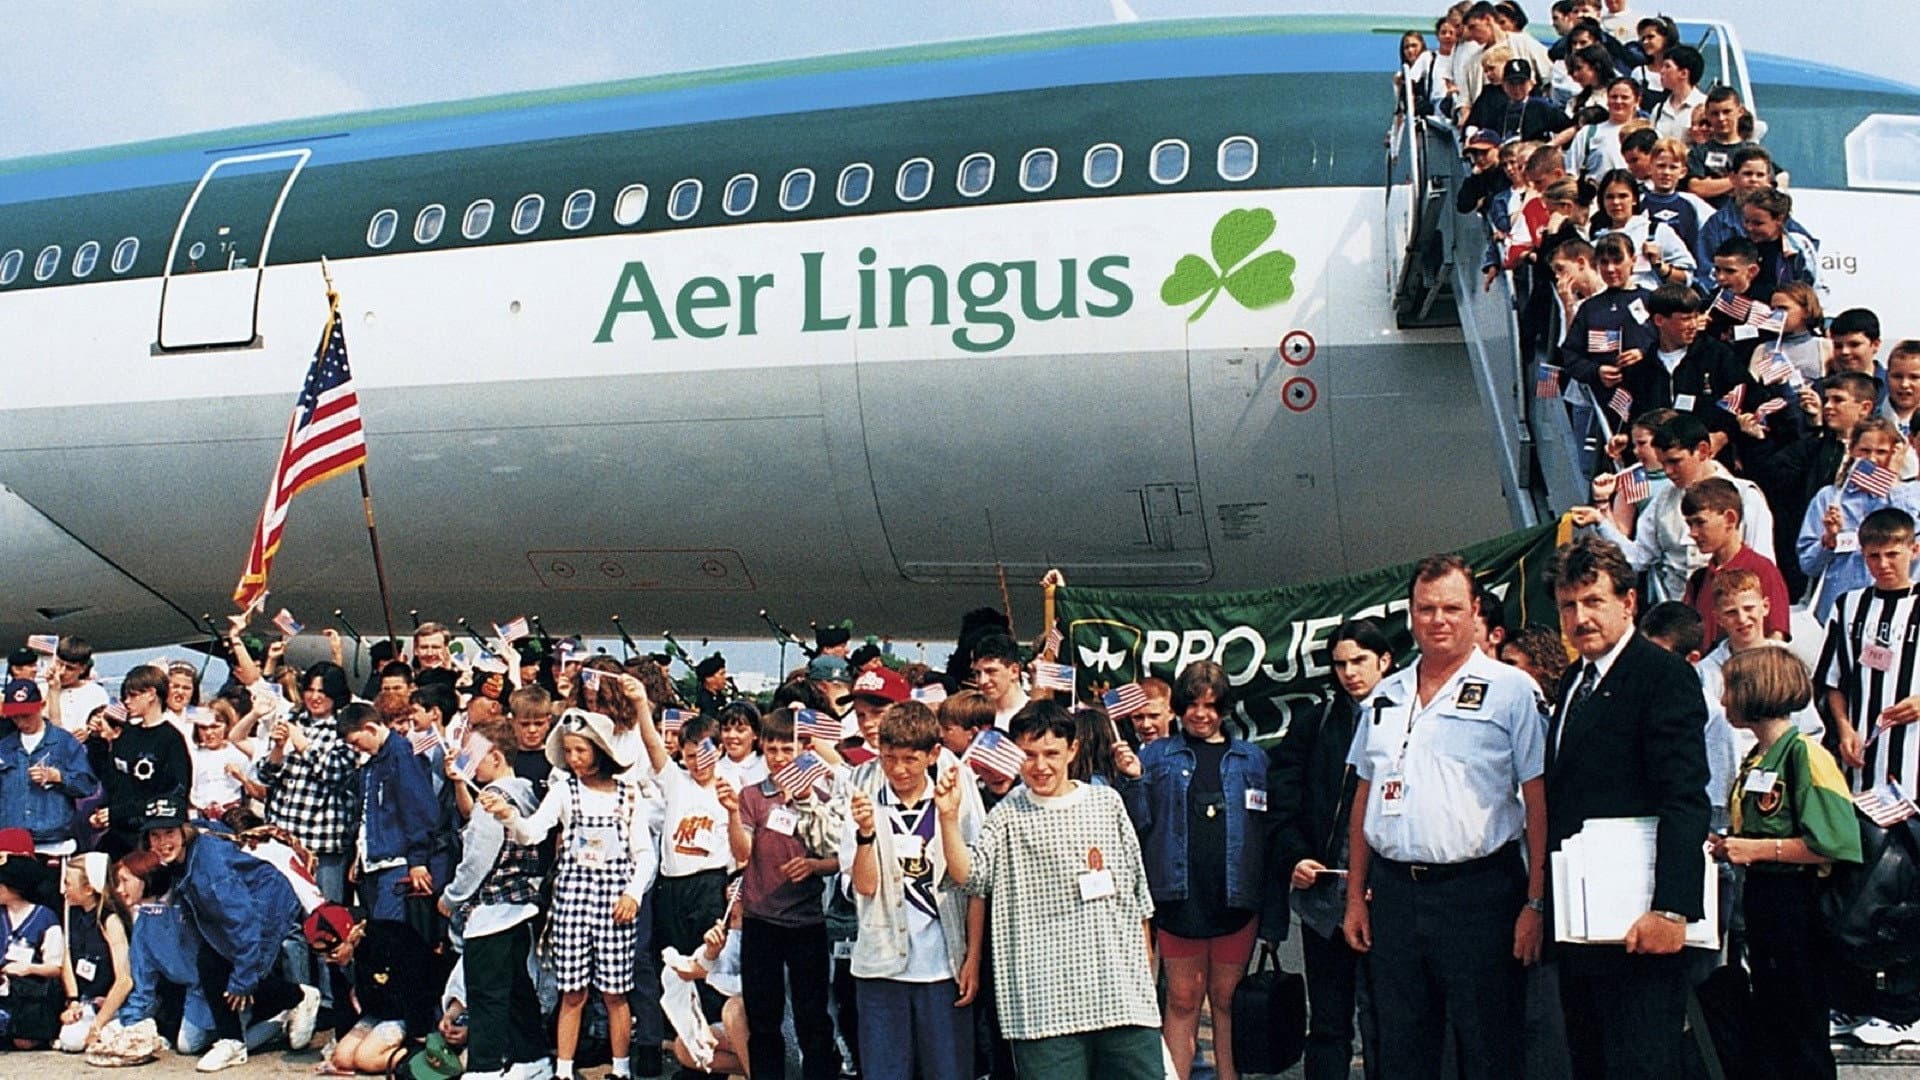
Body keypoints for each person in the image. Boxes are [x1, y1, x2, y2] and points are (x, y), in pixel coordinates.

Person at [1339, 554, 1547, 1080]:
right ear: (1409, 614)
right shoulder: (1385, 696)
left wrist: (1536, 902)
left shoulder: (1512, 691)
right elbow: (1365, 797)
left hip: (1480, 895)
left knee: (1489, 1047)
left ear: (1475, 611)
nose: (1438, 620)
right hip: (1395, 896)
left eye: (1452, 608)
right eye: (1425, 609)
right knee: (1403, 1048)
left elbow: (1539, 801)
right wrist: (1354, 898)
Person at [1544, 537, 1710, 1079]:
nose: (1580, 617)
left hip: (1641, 921)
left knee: (1642, 1066)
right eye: (1569, 606)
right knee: (1590, 1063)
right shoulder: (1573, 682)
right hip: (1582, 923)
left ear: (1628, 603)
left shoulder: (1662, 676)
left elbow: (1684, 797)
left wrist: (1671, 908)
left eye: (1594, 601)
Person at [938, 700, 1161, 1080]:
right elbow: (970, 876)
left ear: (1072, 750)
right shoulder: (1007, 814)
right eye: (1029, 754)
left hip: (1121, 996)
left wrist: (1145, 980)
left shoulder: (1108, 803)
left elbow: (1138, 897)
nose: (1040, 766)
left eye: (1051, 754)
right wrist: (946, 817)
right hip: (1043, 1003)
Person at [1713, 647, 1862, 1078]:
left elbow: (1835, 842)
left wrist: (1756, 851)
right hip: (1763, 900)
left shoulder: (1806, 756)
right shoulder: (1758, 757)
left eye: (1730, 691)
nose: (1724, 702)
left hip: (1798, 903)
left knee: (1800, 1021)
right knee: (1773, 1018)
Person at [487, 708, 657, 1080]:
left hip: (616, 901)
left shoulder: (629, 794)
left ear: (600, 750)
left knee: (615, 991)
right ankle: (563, 1069)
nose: (574, 759)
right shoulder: (565, 790)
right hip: (573, 897)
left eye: (581, 750)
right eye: (569, 751)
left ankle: (621, 1068)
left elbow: (644, 853)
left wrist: (632, 893)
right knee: (572, 990)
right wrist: (508, 816)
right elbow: (533, 832)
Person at [1116, 660, 1267, 1080]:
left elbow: (1265, 834)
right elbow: (1136, 824)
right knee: (1182, 1000)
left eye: (1212, 705)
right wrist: (1131, 780)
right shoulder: (1155, 754)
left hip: (1237, 897)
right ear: (1179, 708)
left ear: (1225, 708)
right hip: (1178, 896)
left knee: (1226, 1000)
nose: (1202, 714)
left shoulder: (1253, 759)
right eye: (1193, 705)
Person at [1269, 620, 1388, 1080]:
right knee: (1328, 1023)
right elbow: (1282, 800)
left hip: (1385, 898)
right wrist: (1295, 856)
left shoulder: (1410, 718)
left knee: (1385, 1019)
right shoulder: (1314, 722)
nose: (1349, 672)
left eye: (1359, 661)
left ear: (1384, 660)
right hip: (1325, 901)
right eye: (1340, 663)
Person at [843, 700, 984, 1080]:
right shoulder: (864, 801)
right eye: (889, 758)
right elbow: (864, 886)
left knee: (949, 1071)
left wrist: (972, 956)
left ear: (933, 754)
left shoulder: (953, 798)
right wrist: (865, 835)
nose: (899, 769)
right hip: (881, 965)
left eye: (910, 758)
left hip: (943, 965)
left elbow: (974, 883)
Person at [142, 797, 322, 1072]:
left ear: (184, 831)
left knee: (240, 972)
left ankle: (296, 997)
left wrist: (243, 977)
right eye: (155, 835)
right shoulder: (184, 856)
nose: (162, 842)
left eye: (169, 833)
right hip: (238, 910)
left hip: (264, 905)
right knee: (211, 961)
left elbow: (243, 921)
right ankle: (235, 1036)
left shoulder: (210, 868)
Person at [724, 706, 842, 1080]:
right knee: (763, 1020)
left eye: (786, 750)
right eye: (772, 750)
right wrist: (730, 814)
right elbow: (743, 854)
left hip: (807, 921)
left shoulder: (822, 793)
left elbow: (841, 857)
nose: (778, 758)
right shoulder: (751, 796)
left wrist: (813, 866)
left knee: (813, 1019)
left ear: (803, 750)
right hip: (761, 921)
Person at [435, 715, 549, 1080]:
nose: (468, 764)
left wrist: (451, 897)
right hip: (520, 907)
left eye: (474, 757)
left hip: (491, 913)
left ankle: (484, 1067)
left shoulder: (494, 799)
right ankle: (532, 1058)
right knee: (517, 988)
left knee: (485, 993)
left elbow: (477, 860)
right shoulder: (524, 791)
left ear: (497, 757)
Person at [1574, 412, 1775, 601]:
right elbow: (1638, 557)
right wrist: (1600, 519)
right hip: (1675, 617)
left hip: (1732, 615)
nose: (1668, 471)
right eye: (1663, 463)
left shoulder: (1746, 497)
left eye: (1675, 461)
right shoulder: (1663, 500)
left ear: (1702, 451)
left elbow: (1765, 569)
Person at [1817, 506, 1920, 792]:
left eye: (1892, 554)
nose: (1883, 564)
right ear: (1863, 555)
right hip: (1863, 753)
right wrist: (1844, 727)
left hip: (1914, 753)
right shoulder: (1847, 605)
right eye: (1874, 556)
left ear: (1914, 550)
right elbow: (1832, 680)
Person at [1798, 418, 1920, 622]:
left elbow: (1911, 544)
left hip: (1894, 609)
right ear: (1852, 450)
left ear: (1895, 454)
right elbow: (1808, 565)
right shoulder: (1829, 498)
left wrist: (1893, 482)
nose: (1871, 460)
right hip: (1838, 609)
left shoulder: (1909, 496)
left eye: (1881, 452)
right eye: (1864, 451)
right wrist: (1829, 540)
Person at [302, 903, 441, 1075]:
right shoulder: (338, 956)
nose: (329, 959)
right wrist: (342, 1037)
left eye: (333, 952)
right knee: (343, 1059)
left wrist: (418, 1038)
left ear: (351, 935)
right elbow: (342, 999)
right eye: (323, 956)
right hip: (377, 1010)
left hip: (408, 1011)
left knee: (365, 1059)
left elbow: (418, 990)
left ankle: (425, 1058)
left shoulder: (390, 941)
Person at [336, 701, 439, 922]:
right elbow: (365, 814)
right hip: (372, 862)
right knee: (376, 932)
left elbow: (418, 808)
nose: (357, 749)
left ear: (371, 729)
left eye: (357, 742)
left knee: (389, 934)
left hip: (396, 864)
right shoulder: (371, 763)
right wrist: (359, 855)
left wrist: (418, 860)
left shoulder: (402, 754)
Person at [88, 664, 192, 856]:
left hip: (152, 836)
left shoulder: (171, 739)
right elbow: (109, 779)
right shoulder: (128, 735)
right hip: (118, 834)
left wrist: (119, 813)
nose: (127, 702)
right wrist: (97, 740)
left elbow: (174, 795)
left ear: (151, 694)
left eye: (133, 696)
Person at [1679, 477, 1791, 646]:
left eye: (1700, 522)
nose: (1693, 533)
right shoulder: (1699, 580)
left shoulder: (1762, 570)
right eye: (1690, 524)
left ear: (1730, 519)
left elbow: (1776, 638)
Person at [0, 679, 97, 854]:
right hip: (11, 842)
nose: (22, 722)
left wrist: (58, 777)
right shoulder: (4, 748)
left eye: (27, 715)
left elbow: (87, 785)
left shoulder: (64, 742)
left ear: (41, 706)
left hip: (54, 842)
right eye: (16, 717)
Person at [53, 853, 133, 1053]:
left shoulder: (110, 921)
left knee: (79, 1040)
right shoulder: (71, 915)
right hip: (85, 999)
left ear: (89, 889)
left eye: (68, 884)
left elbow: (125, 980)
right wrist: (73, 1002)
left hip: (112, 1002)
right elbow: (68, 960)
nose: (64, 890)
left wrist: (98, 1024)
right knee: (69, 1039)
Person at [42, 637, 110, 737]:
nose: (62, 672)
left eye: (70, 668)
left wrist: (89, 734)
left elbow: (104, 729)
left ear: (82, 669)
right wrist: (53, 690)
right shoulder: (41, 689)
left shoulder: (96, 693)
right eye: (59, 664)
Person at [969, 635, 1029, 730]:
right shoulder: (972, 717)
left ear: (1014, 671)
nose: (982, 680)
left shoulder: (1036, 715)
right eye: (977, 673)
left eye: (991, 671)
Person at [1649, 43, 1705, 140]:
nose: (1661, 71)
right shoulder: (1659, 109)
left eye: (1667, 66)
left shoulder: (1705, 105)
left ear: (1683, 73)